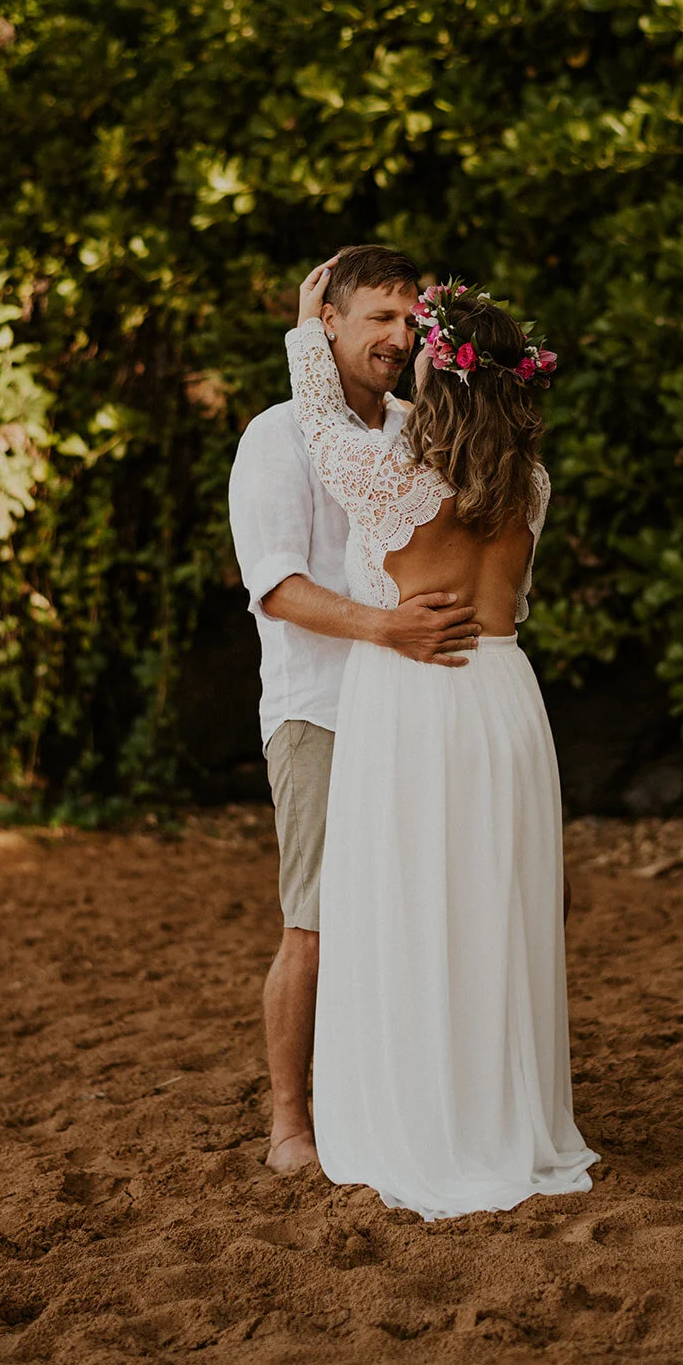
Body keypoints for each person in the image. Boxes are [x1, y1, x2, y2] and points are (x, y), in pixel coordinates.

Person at [286, 256, 600, 1220]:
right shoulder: (531, 486)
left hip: (412, 695)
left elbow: (317, 421)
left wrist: (309, 327)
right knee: (493, 910)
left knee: (404, 906)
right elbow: (521, 605)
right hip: (502, 695)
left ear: (440, 377)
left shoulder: (383, 478)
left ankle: (418, 1124)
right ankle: (505, 1119)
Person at [228, 245, 483, 1174]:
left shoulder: (424, 427)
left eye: (410, 318)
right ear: (324, 322)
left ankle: (401, 1096)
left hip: (419, 706)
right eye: (376, 316)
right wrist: (389, 628)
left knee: (419, 910)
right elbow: (278, 588)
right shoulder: (276, 436)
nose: (396, 335)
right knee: (317, 922)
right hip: (322, 711)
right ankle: (289, 1122)